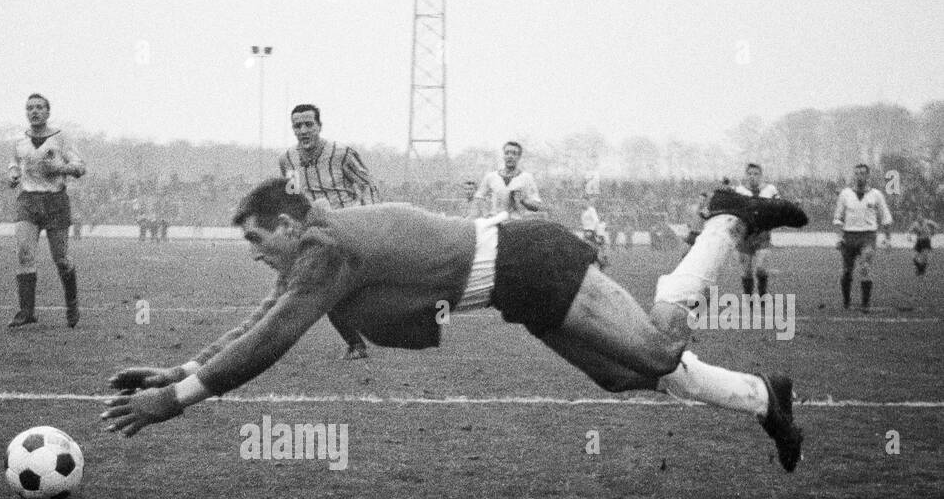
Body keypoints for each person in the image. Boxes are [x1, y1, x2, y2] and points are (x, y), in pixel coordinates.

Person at [103, 179, 809, 473]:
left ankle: (724, 218)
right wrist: (180, 371)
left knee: (657, 349)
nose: (256, 254)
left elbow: (273, 337)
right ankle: (762, 398)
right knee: (626, 375)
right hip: (514, 285)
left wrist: (180, 399)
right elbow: (264, 319)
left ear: (288, 226)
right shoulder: (317, 249)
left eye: (258, 240)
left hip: (529, 259)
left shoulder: (328, 249)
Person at [278, 103, 380, 359]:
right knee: (322, 290)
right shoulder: (287, 160)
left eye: (308, 124)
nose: (303, 130)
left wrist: (368, 219)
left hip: (350, 228)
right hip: (319, 236)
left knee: (358, 289)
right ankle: (355, 344)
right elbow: (294, 197)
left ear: (319, 126)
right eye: (297, 125)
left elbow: (368, 185)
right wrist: (293, 224)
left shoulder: (342, 154)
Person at [6, 93, 86, 328]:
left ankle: (72, 304)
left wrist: (60, 167)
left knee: (60, 259)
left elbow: (80, 168)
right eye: (30, 108)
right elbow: (13, 163)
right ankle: (26, 312)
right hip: (28, 200)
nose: (34, 111)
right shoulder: (19, 141)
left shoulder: (61, 138)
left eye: (40, 107)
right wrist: (12, 174)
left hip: (55, 202)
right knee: (24, 253)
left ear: (48, 112)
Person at [833, 163, 893, 313]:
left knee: (865, 267)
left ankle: (865, 304)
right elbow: (838, 218)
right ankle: (846, 301)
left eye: (862, 173)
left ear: (868, 176)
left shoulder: (876, 195)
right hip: (849, 236)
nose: (860, 176)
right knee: (847, 271)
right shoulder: (845, 194)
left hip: (868, 236)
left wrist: (887, 238)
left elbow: (885, 217)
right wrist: (839, 237)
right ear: (854, 176)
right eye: (857, 173)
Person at [734, 163, 779, 295]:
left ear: (761, 176)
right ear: (746, 175)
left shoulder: (770, 189)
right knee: (746, 271)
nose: (752, 176)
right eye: (750, 174)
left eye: (756, 174)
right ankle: (749, 298)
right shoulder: (739, 191)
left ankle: (762, 293)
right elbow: (735, 212)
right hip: (745, 236)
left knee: (760, 268)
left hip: (762, 235)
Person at [476, 141, 543, 220]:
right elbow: (479, 196)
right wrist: (485, 214)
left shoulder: (527, 178)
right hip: (496, 222)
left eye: (514, 153)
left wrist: (523, 200)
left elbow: (537, 206)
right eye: (507, 153)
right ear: (503, 156)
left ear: (519, 157)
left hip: (517, 224)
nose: (510, 156)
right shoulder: (491, 176)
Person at [908, 212, 938, 278]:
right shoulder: (915, 224)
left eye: (920, 217)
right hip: (919, 242)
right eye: (918, 217)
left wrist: (933, 232)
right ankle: (920, 270)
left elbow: (936, 226)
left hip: (926, 241)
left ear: (923, 217)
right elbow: (910, 231)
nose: (919, 218)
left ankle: (922, 272)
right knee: (914, 257)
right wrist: (909, 236)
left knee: (925, 257)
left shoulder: (928, 222)